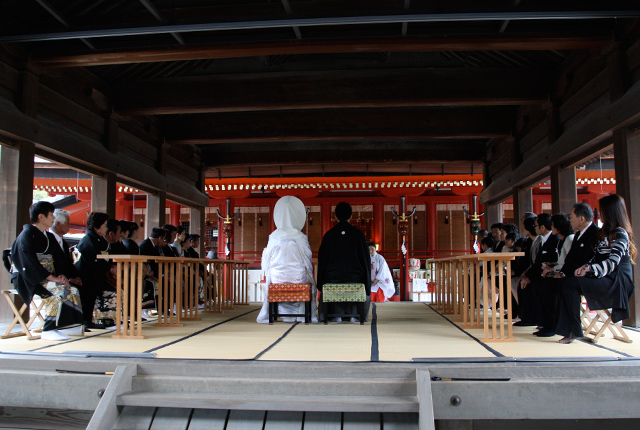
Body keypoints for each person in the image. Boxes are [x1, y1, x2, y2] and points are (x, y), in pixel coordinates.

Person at [555, 195, 636, 344]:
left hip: (616, 280)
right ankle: (571, 329)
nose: (600, 214)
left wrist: (590, 269)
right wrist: (585, 267)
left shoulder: (620, 234)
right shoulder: (605, 233)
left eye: (602, 210)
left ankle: (574, 331)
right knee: (566, 282)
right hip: (604, 276)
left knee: (569, 284)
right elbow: (597, 257)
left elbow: (612, 263)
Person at [11, 202, 84, 341]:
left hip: (47, 277)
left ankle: (69, 326)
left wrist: (63, 275)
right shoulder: (26, 235)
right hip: (29, 278)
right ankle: (48, 329)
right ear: (40, 217)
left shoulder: (49, 237)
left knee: (72, 290)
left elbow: (60, 259)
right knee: (59, 291)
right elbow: (28, 262)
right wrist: (52, 278)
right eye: (51, 215)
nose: (53, 218)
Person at [256, 196, 317, 323]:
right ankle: (304, 313)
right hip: (298, 279)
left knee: (271, 275)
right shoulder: (301, 237)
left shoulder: (273, 237)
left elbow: (266, 261)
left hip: (277, 279)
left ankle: (275, 313)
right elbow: (307, 260)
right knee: (308, 277)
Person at [317, 202, 371, 322]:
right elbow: (365, 261)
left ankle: (335, 315)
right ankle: (354, 315)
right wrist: (367, 284)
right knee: (361, 289)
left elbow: (322, 261)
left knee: (332, 284)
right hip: (355, 279)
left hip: (332, 279)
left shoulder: (329, 236)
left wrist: (320, 284)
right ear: (350, 216)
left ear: (335, 217)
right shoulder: (358, 235)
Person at [531, 213, 575, 336]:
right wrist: (551, 266)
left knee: (546, 288)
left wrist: (552, 269)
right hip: (560, 272)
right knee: (539, 286)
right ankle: (545, 323)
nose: (552, 227)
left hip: (567, 275)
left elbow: (569, 263)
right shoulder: (562, 240)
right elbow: (561, 261)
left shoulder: (570, 239)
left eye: (553, 225)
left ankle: (552, 325)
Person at [76, 211, 111, 329]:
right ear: (96, 227)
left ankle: (107, 319)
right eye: (105, 225)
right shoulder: (88, 240)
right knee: (92, 290)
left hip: (97, 275)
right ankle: (89, 319)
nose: (107, 228)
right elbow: (93, 260)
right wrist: (108, 267)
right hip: (86, 276)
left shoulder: (100, 240)